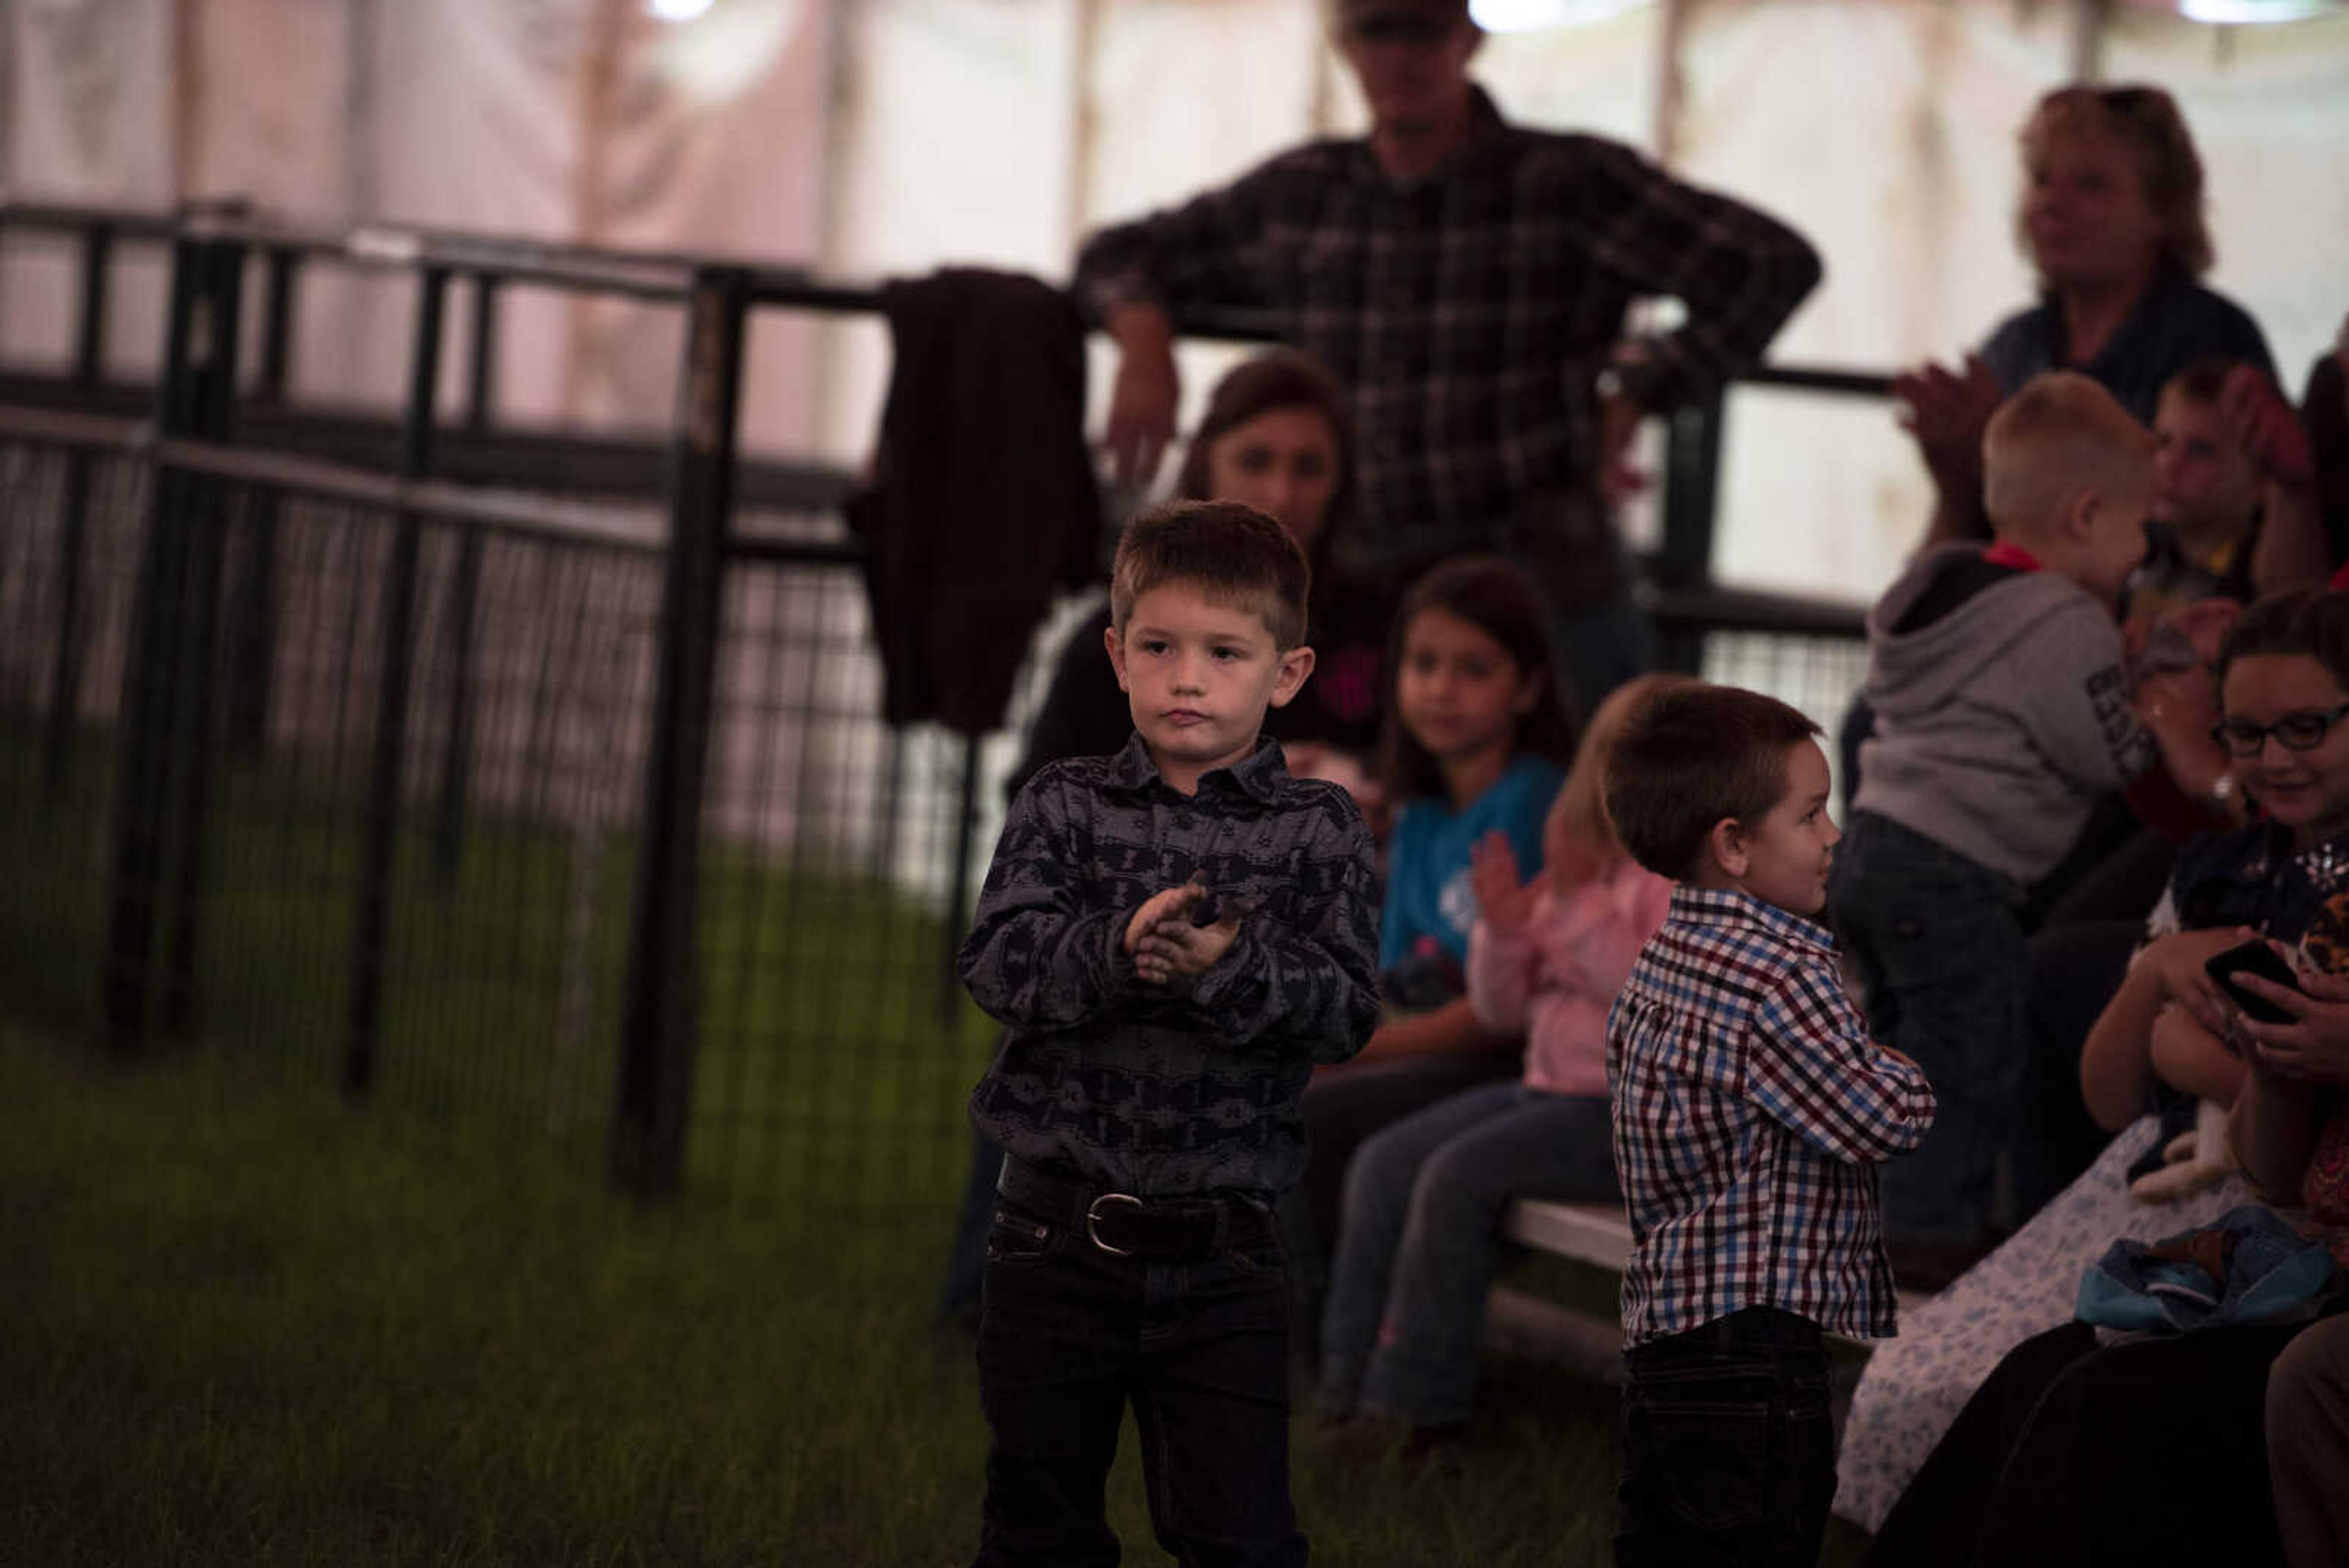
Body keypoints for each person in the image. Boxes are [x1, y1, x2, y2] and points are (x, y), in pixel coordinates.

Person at [1074, 0, 1821, 717]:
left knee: (1598, 808)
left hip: (1536, 582)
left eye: (1423, 31)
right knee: (1356, 806)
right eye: (1376, 29)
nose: (1398, 55)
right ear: (1346, 45)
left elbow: (1769, 265)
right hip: (1361, 587)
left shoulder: (1565, 184)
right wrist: (1145, 344)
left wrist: (1640, 391)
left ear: (1468, 38)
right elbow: (1115, 254)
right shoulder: (1303, 193)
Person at [1837, 589, 2349, 1547]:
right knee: (1949, 1374)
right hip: (2154, 1184)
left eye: (2308, 727)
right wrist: (2154, 971)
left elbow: (2282, 1115)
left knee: (2072, 1391)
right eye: (2245, 732)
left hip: (2263, 1216)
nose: (2275, 757)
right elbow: (2110, 1095)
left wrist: (2187, 1047)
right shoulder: (2219, 865)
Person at [955, 499, 1381, 1567]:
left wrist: (1225, 967)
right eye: (1159, 646)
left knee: (1237, 1534)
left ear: (1287, 673)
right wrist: (1112, 948)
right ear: (1116, 653)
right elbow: (996, 963)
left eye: (1225, 652)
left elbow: (1346, 1010)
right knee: (1035, 1525)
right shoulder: (1063, 805)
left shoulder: (1319, 826)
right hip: (1051, 1235)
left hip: (1227, 1250)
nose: (1188, 677)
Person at [935, 349, 1385, 1332]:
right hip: (1116, 928)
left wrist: (1344, 793)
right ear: (1206, 464)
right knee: (1047, 1049)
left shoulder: (1375, 623)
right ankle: (988, 1295)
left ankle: (1270, 1325)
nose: (1281, 489)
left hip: (1305, 934)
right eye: (1257, 459)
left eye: (1310, 467)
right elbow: (1034, 796)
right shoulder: (1122, 630)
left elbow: (1427, 773)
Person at [1827, 371, 2220, 1276]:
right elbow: (2103, 755)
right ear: (2086, 516)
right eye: (2137, 534)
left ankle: (1878, 1216)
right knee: (1972, 1051)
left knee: (1900, 1046)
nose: (2139, 559)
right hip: (1955, 871)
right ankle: (1932, 1239)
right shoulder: (2067, 620)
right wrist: (2156, 710)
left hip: (1874, 846)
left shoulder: (1945, 591)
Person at [1605, 682, 1937, 1568]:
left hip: (1667, 1334)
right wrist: (1907, 1068)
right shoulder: (1778, 973)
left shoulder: (1661, 959)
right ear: (1735, 844)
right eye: (1813, 814)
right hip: (1755, 1344)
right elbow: (1880, 1116)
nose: (1833, 836)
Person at [1314, 674, 1683, 1460]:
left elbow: (1649, 996)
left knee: (1455, 1177)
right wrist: (1507, 931)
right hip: (1548, 1090)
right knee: (1385, 1161)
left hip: (1629, 1117)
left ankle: (1417, 1412)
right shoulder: (1591, 867)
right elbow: (1506, 1006)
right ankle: (1344, 1384)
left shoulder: (1681, 884)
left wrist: (1576, 905)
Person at [1286, 555, 1575, 1345]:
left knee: (1307, 1118)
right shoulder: (1415, 815)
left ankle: (1323, 1345)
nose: (1441, 688)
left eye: (1473, 669)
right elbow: (1387, 978)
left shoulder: (1538, 805)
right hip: (1423, 1043)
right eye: (1423, 664)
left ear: (1528, 688)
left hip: (1509, 1063)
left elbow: (1503, 1017)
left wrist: (1358, 1057)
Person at [1898, 84, 2276, 552]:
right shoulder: (2014, 346)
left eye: (2090, 184)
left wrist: (2004, 468)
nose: (2051, 203)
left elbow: (2200, 540)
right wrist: (1955, 484)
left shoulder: (2207, 341)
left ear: (2162, 210)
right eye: (2040, 179)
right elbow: (1949, 569)